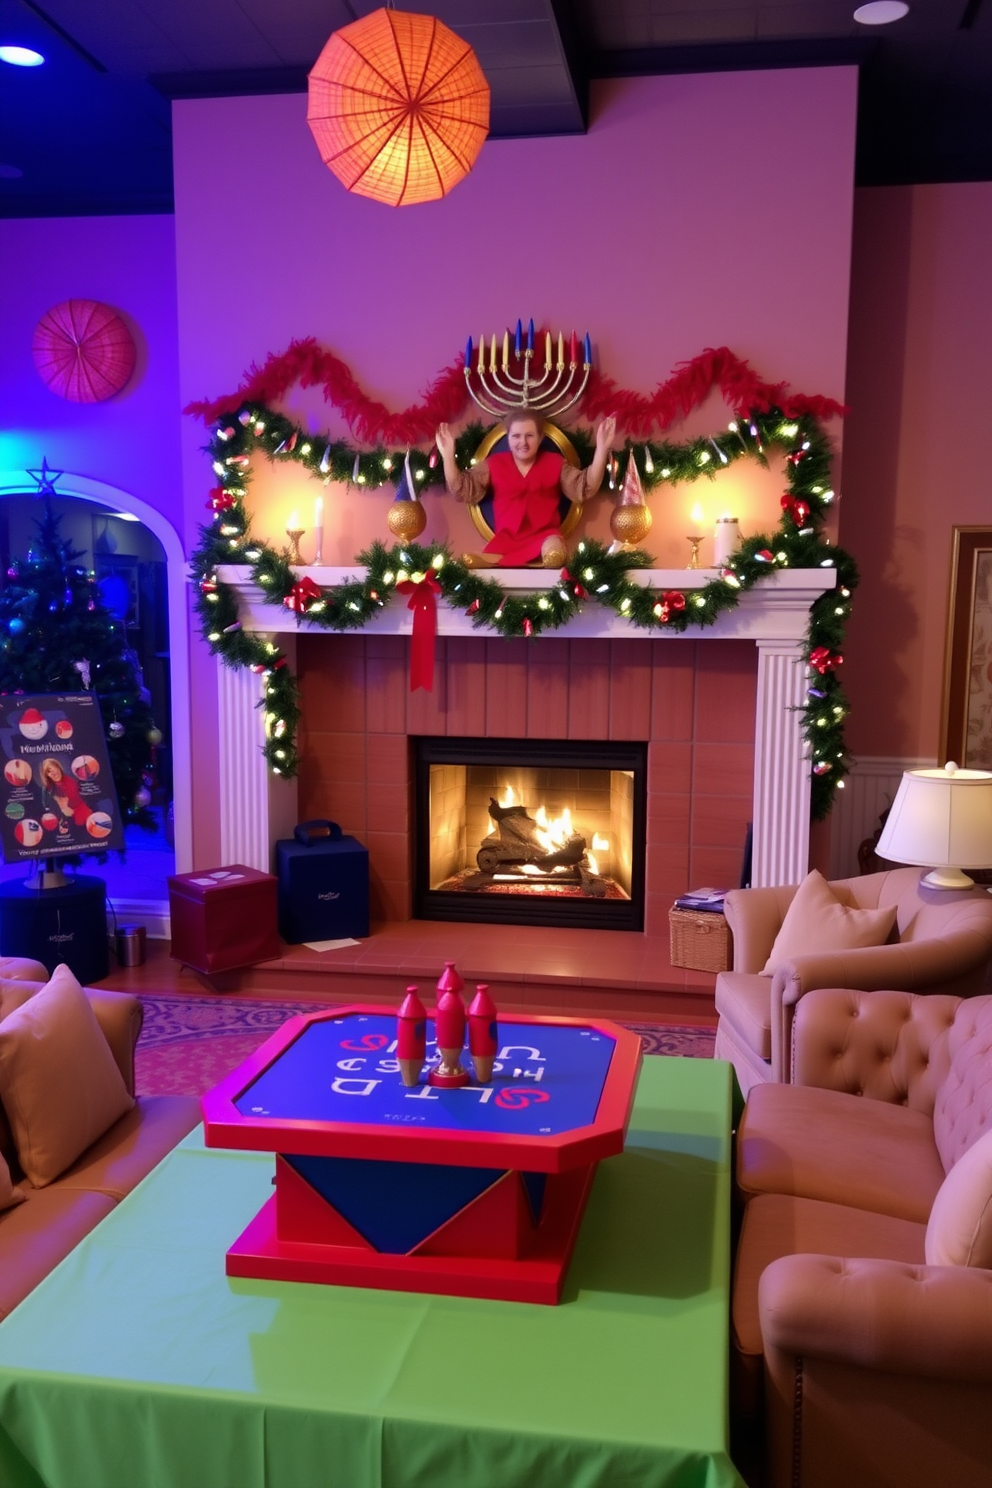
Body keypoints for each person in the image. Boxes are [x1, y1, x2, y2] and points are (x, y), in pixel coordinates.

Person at [436, 409, 617, 567]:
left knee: (554, 549)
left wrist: (601, 449)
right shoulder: (492, 464)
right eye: (516, 436)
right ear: (508, 438)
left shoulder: (555, 463)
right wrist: (448, 457)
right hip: (506, 541)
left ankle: (552, 558)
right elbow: (461, 489)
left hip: (546, 538)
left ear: (540, 438)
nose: (523, 442)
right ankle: (490, 561)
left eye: (529, 435)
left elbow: (584, 487)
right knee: (490, 556)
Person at [40, 757, 89, 826]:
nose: (53, 773)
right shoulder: (47, 790)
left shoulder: (71, 783)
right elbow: (46, 808)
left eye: (54, 768)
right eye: (49, 771)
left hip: (79, 818)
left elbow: (79, 804)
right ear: (46, 775)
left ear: (59, 768)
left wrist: (71, 811)